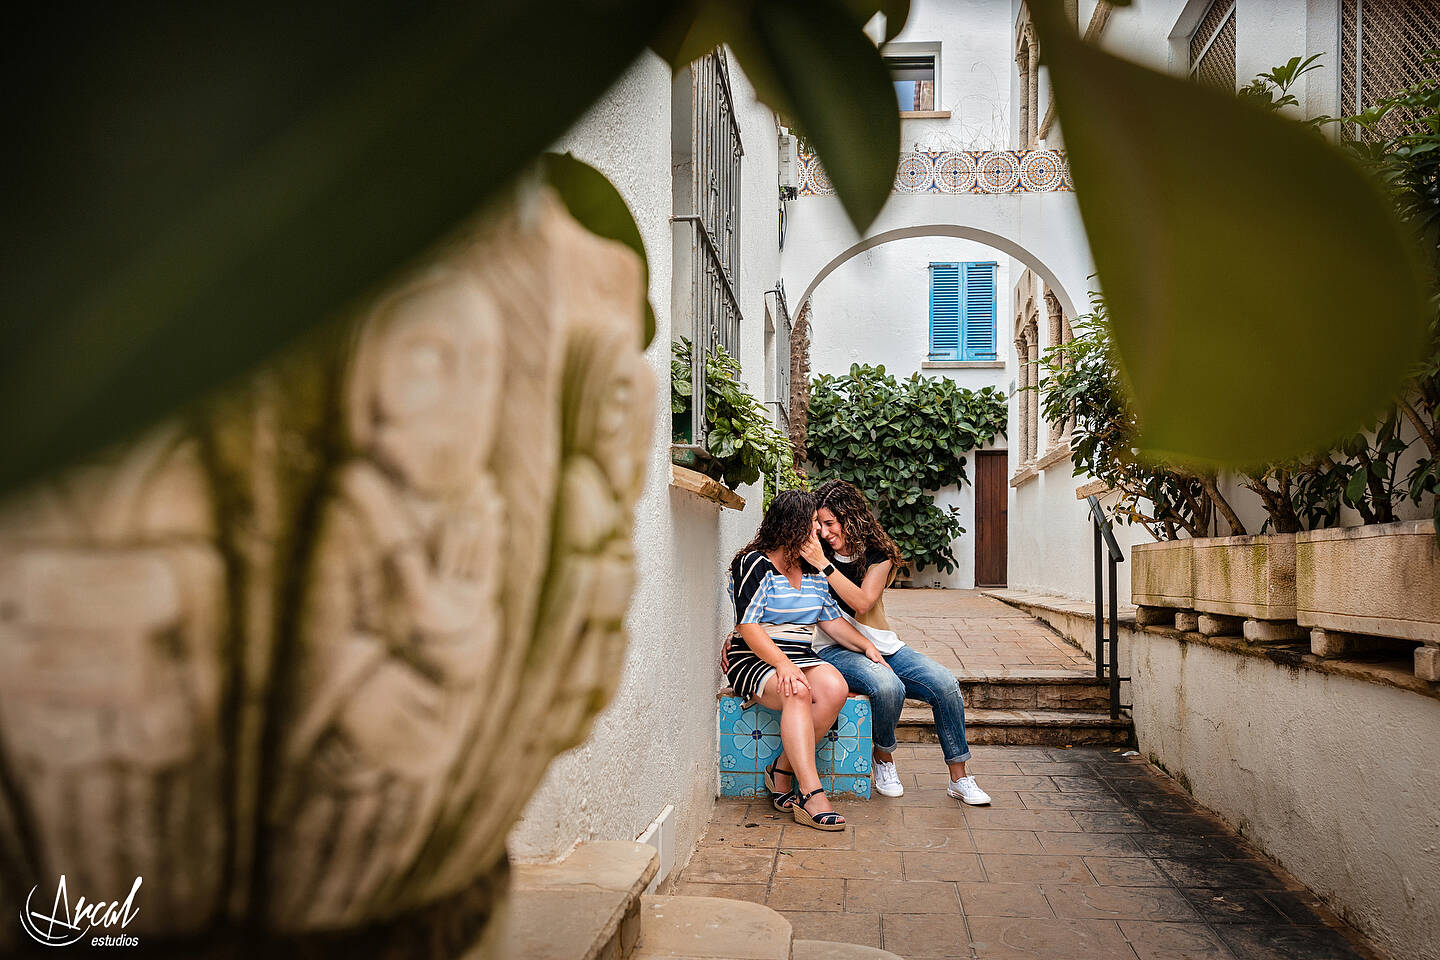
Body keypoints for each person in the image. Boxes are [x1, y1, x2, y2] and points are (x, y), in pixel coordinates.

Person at [803, 479, 991, 806]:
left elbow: (862, 601)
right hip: (832, 649)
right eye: (819, 523)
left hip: (882, 643)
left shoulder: (878, 555)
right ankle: (884, 758)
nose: (823, 531)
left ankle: (960, 778)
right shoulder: (813, 555)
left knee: (944, 684)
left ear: (850, 518)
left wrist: (825, 565)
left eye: (829, 523)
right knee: (888, 686)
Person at [725, 489, 891, 831]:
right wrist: (782, 665)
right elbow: (748, 624)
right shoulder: (753, 563)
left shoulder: (814, 572)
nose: (819, 533)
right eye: (813, 524)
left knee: (834, 687)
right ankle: (811, 794)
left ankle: (781, 770)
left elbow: (830, 620)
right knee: (797, 691)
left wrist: (866, 647)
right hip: (755, 656)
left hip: (800, 656)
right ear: (791, 526)